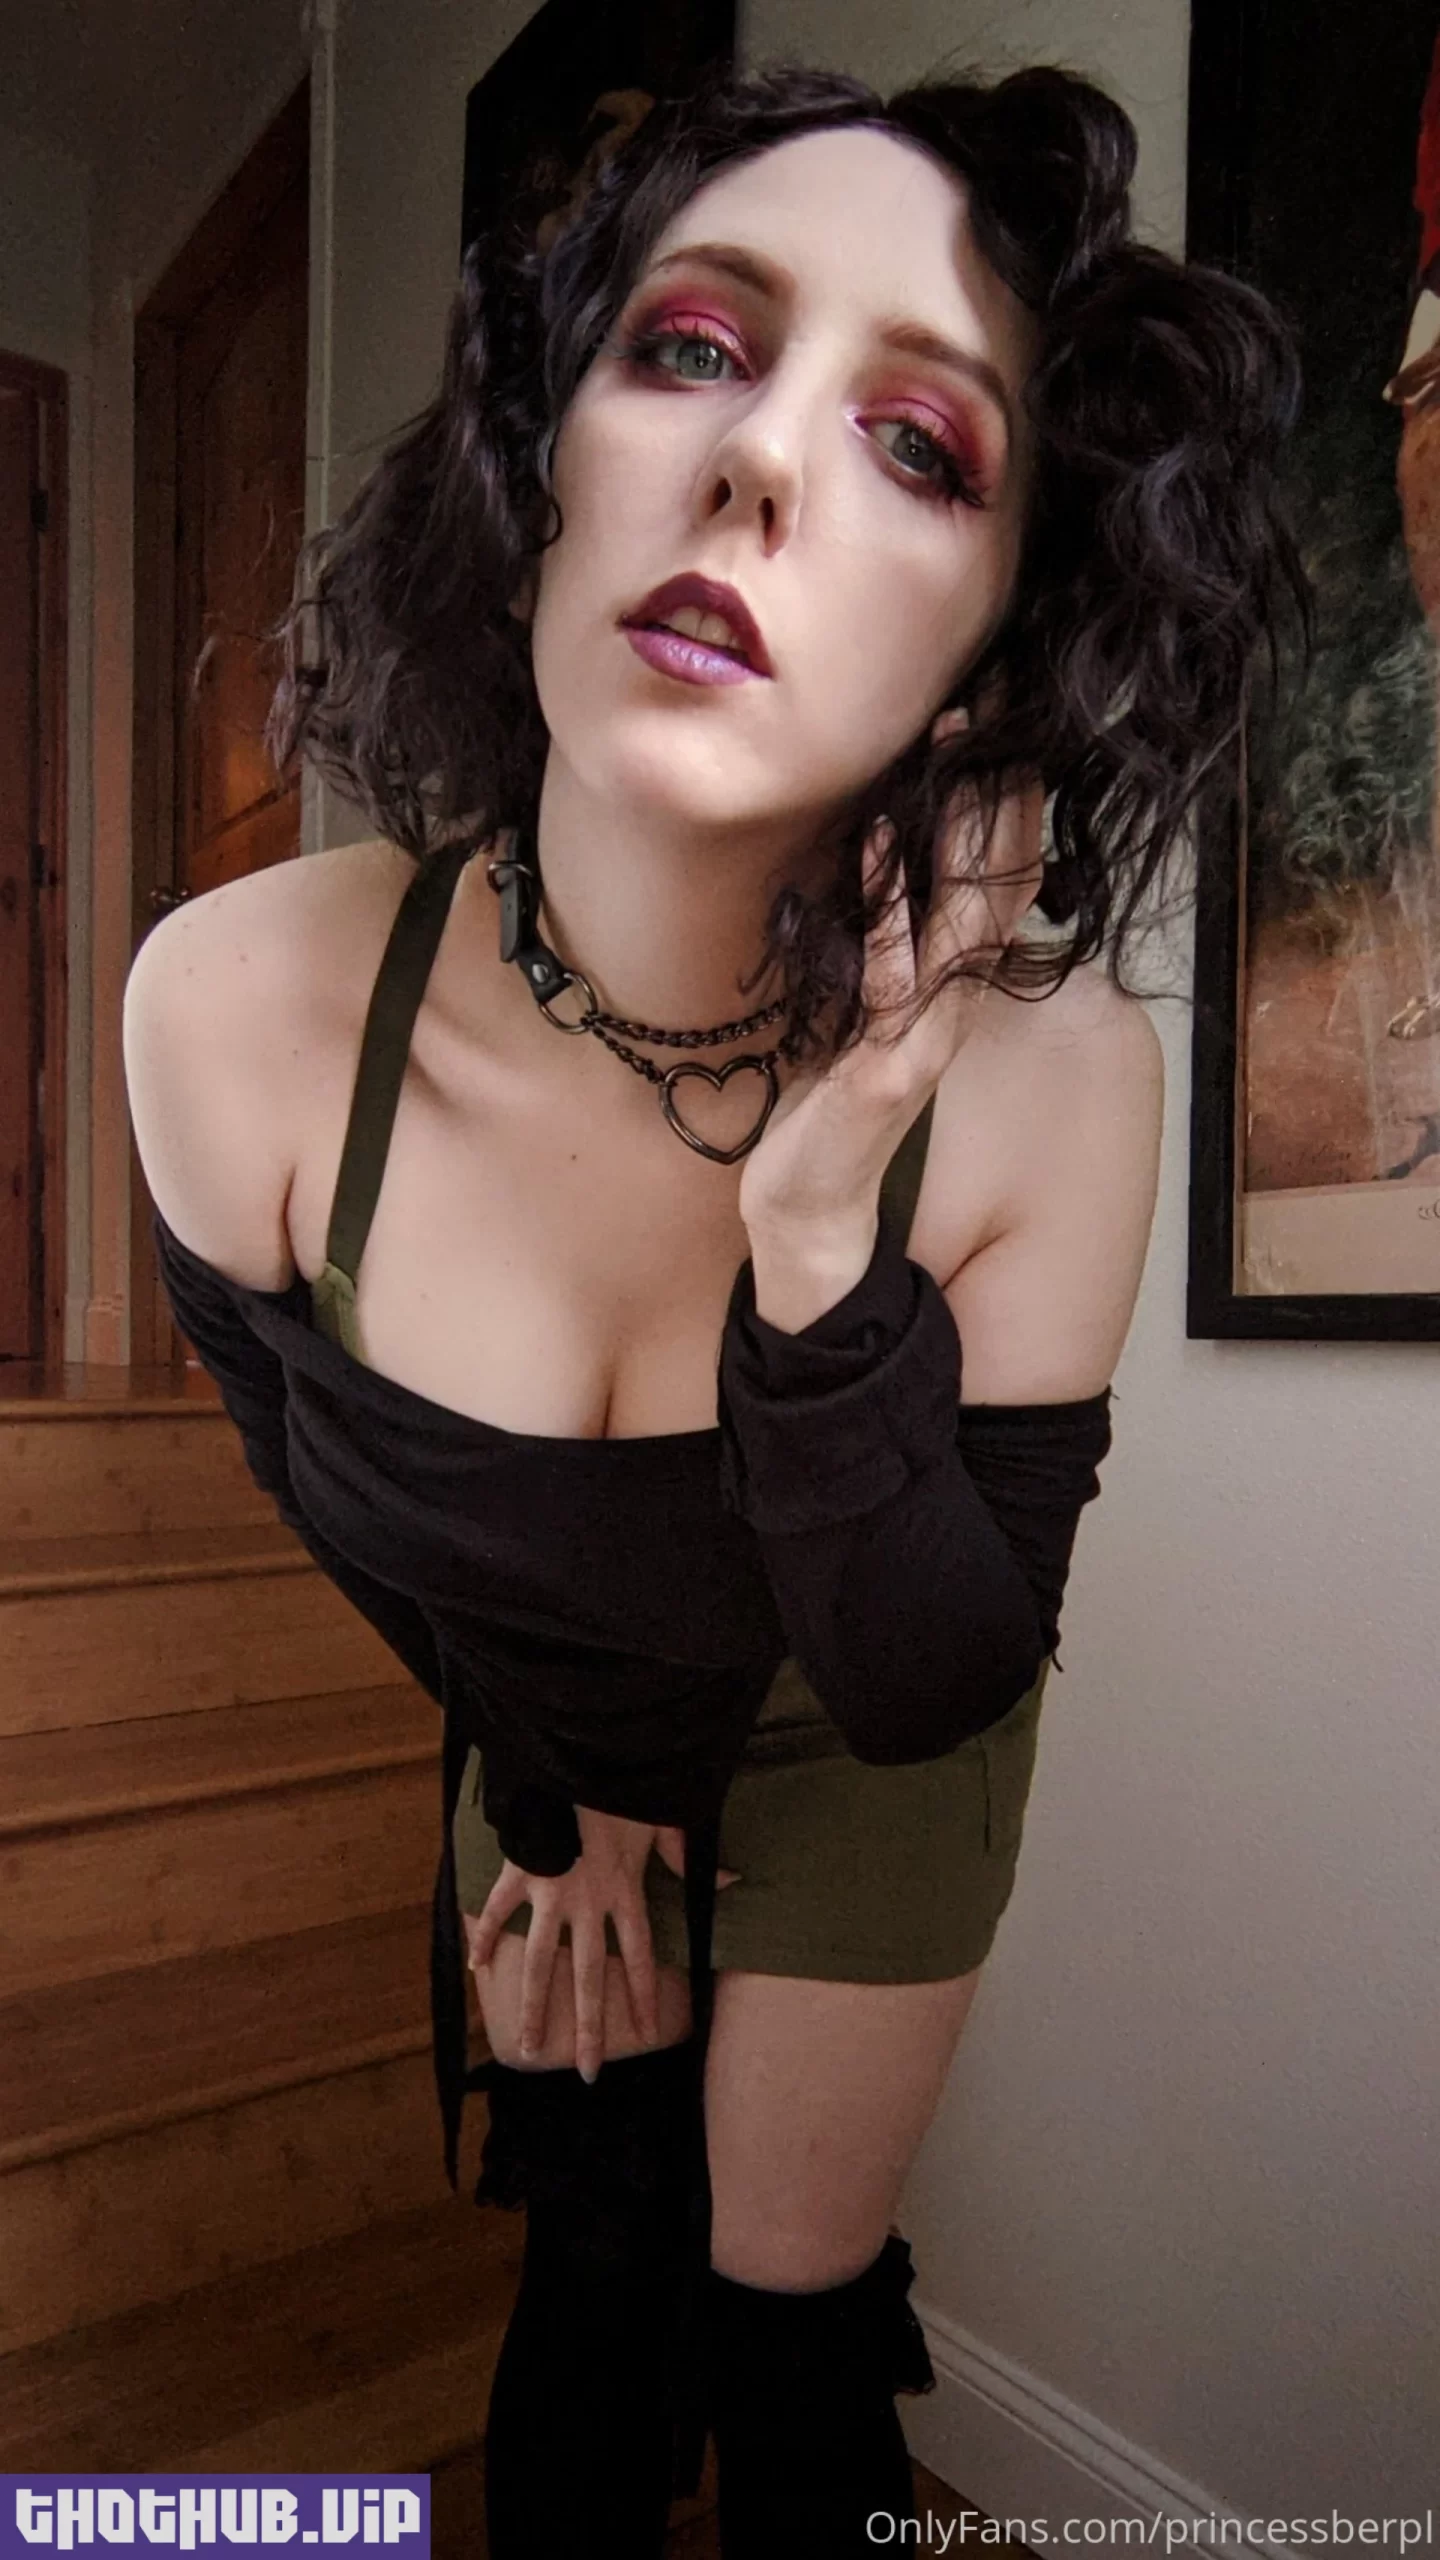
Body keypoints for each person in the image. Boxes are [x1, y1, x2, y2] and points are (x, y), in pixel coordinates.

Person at [123, 56, 1307, 2560]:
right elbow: (351, 1517)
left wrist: (818, 1220)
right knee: (593, 2248)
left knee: (785, 2315)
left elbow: (935, 1673)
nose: (761, 460)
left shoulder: (1055, 1089)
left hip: (864, 1705)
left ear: (998, 645)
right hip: (548, 1698)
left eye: (919, 442)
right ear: (538, 465)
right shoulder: (233, 1011)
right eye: (690, 346)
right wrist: (560, 1797)